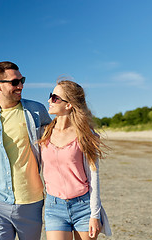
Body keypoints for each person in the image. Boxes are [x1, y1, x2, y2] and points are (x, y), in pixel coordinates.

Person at [0, 61, 52, 239]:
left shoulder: (36, 110)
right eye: (15, 82)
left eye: (22, 80)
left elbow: (55, 141)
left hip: (31, 201)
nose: (21, 86)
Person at [38, 80, 112, 240]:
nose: (49, 101)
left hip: (83, 207)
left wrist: (95, 214)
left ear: (69, 105)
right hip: (54, 207)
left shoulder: (85, 135)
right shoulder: (43, 134)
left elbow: (93, 177)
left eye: (55, 98)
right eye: (50, 96)